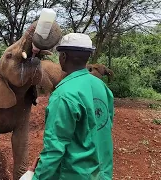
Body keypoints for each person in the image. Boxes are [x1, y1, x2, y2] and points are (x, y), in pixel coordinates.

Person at [27, 33, 115, 180]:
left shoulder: (63, 95)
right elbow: (104, 127)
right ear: (87, 57)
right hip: (101, 172)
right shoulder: (103, 88)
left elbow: (54, 148)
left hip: (72, 173)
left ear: (63, 57)